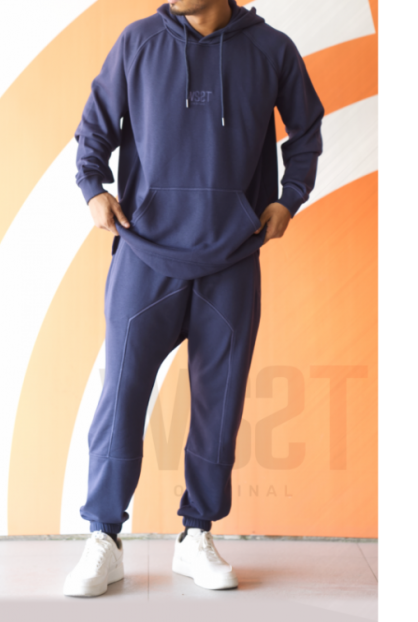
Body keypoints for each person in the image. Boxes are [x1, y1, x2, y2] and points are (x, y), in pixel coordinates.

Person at [63, 0, 324, 597]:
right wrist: (92, 188)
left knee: (218, 404)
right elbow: (95, 125)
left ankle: (196, 535)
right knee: (121, 397)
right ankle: (104, 537)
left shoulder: (272, 49)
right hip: (144, 253)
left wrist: (290, 197)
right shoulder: (138, 42)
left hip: (232, 256)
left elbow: (306, 130)